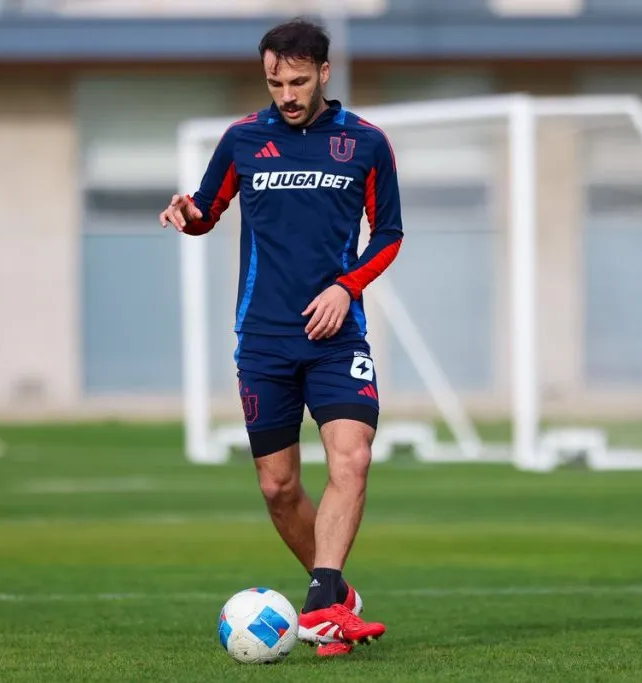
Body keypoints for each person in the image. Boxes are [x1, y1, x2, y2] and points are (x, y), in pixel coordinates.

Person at [159, 17, 403, 657]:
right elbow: (206, 215)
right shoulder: (242, 139)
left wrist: (346, 287)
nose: (287, 95)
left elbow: (389, 235)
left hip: (336, 337)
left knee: (352, 458)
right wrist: (186, 213)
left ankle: (320, 608)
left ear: (325, 73)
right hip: (263, 341)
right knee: (279, 487)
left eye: (298, 81)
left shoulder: (367, 144)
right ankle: (336, 596)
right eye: (275, 82)